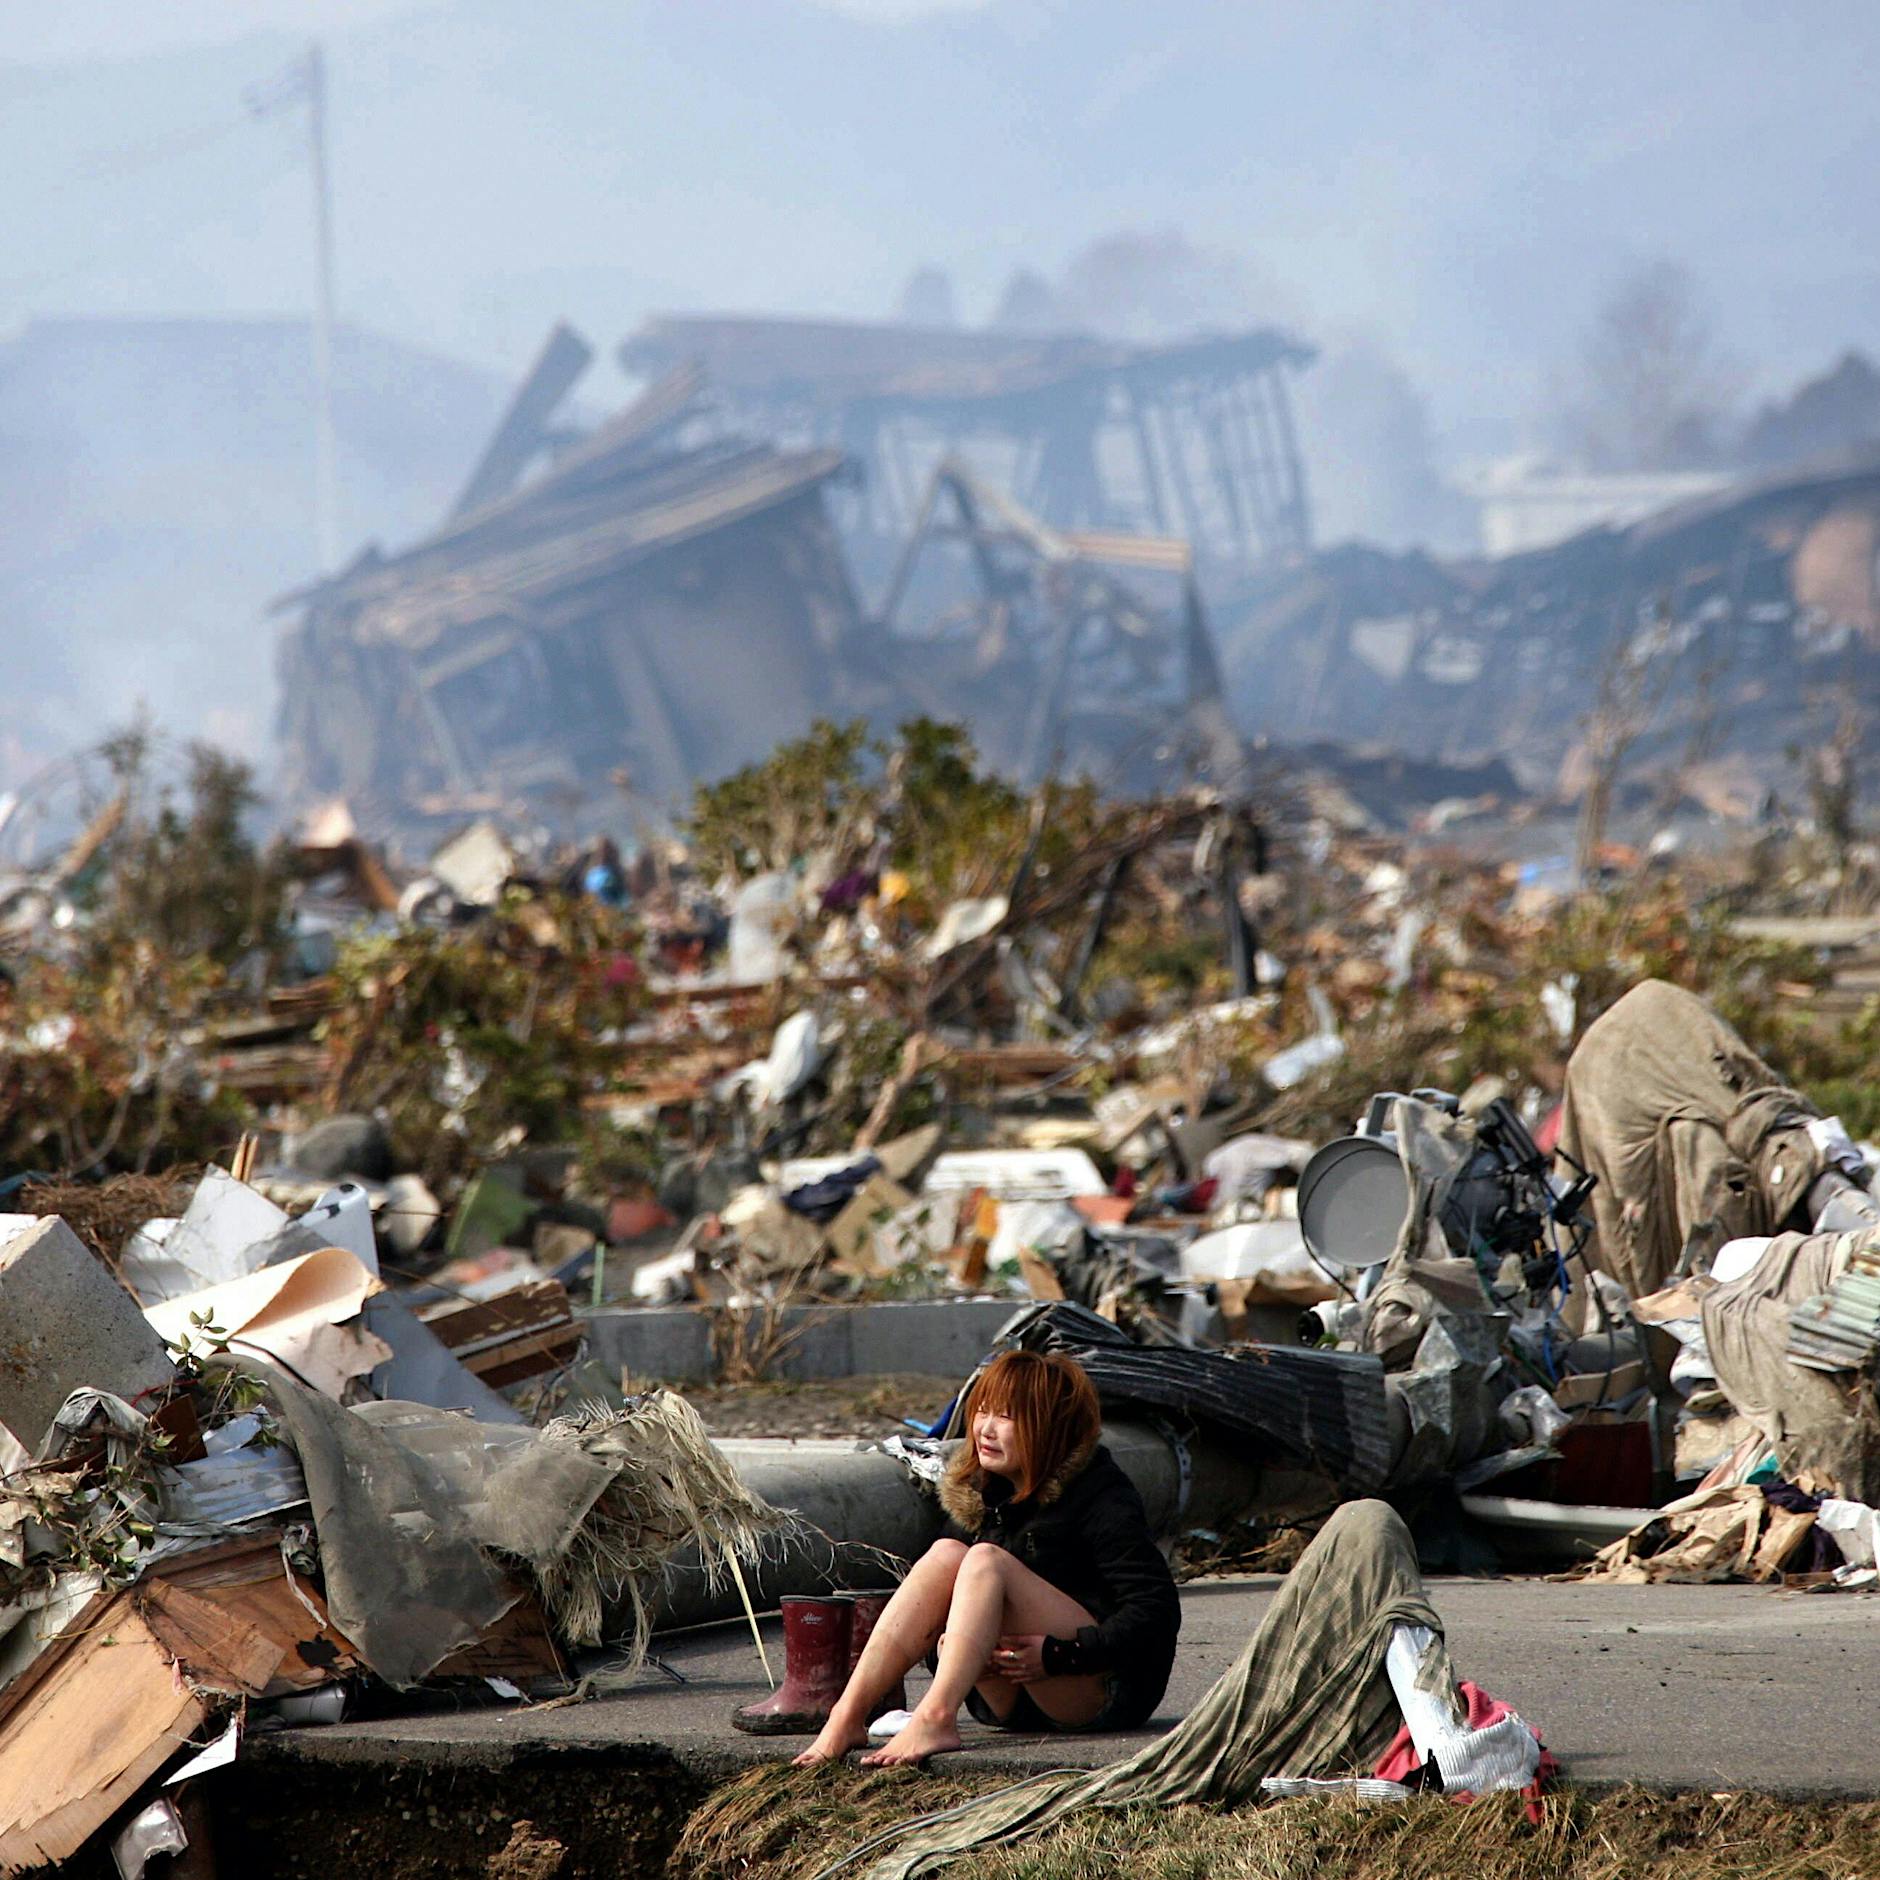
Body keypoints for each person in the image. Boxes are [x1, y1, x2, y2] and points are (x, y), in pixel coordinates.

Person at [794, 1349, 1180, 1768]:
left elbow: (1155, 1610)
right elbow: (932, 1617)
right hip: (1006, 1702)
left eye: (1006, 1417)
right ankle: (847, 1715)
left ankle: (935, 1718)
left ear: (1050, 1425)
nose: (985, 1429)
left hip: (1095, 1689)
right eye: (982, 1411)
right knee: (946, 1554)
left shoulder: (1102, 1494)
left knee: (985, 1561)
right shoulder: (980, 1492)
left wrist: (1060, 1654)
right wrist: (951, 1652)